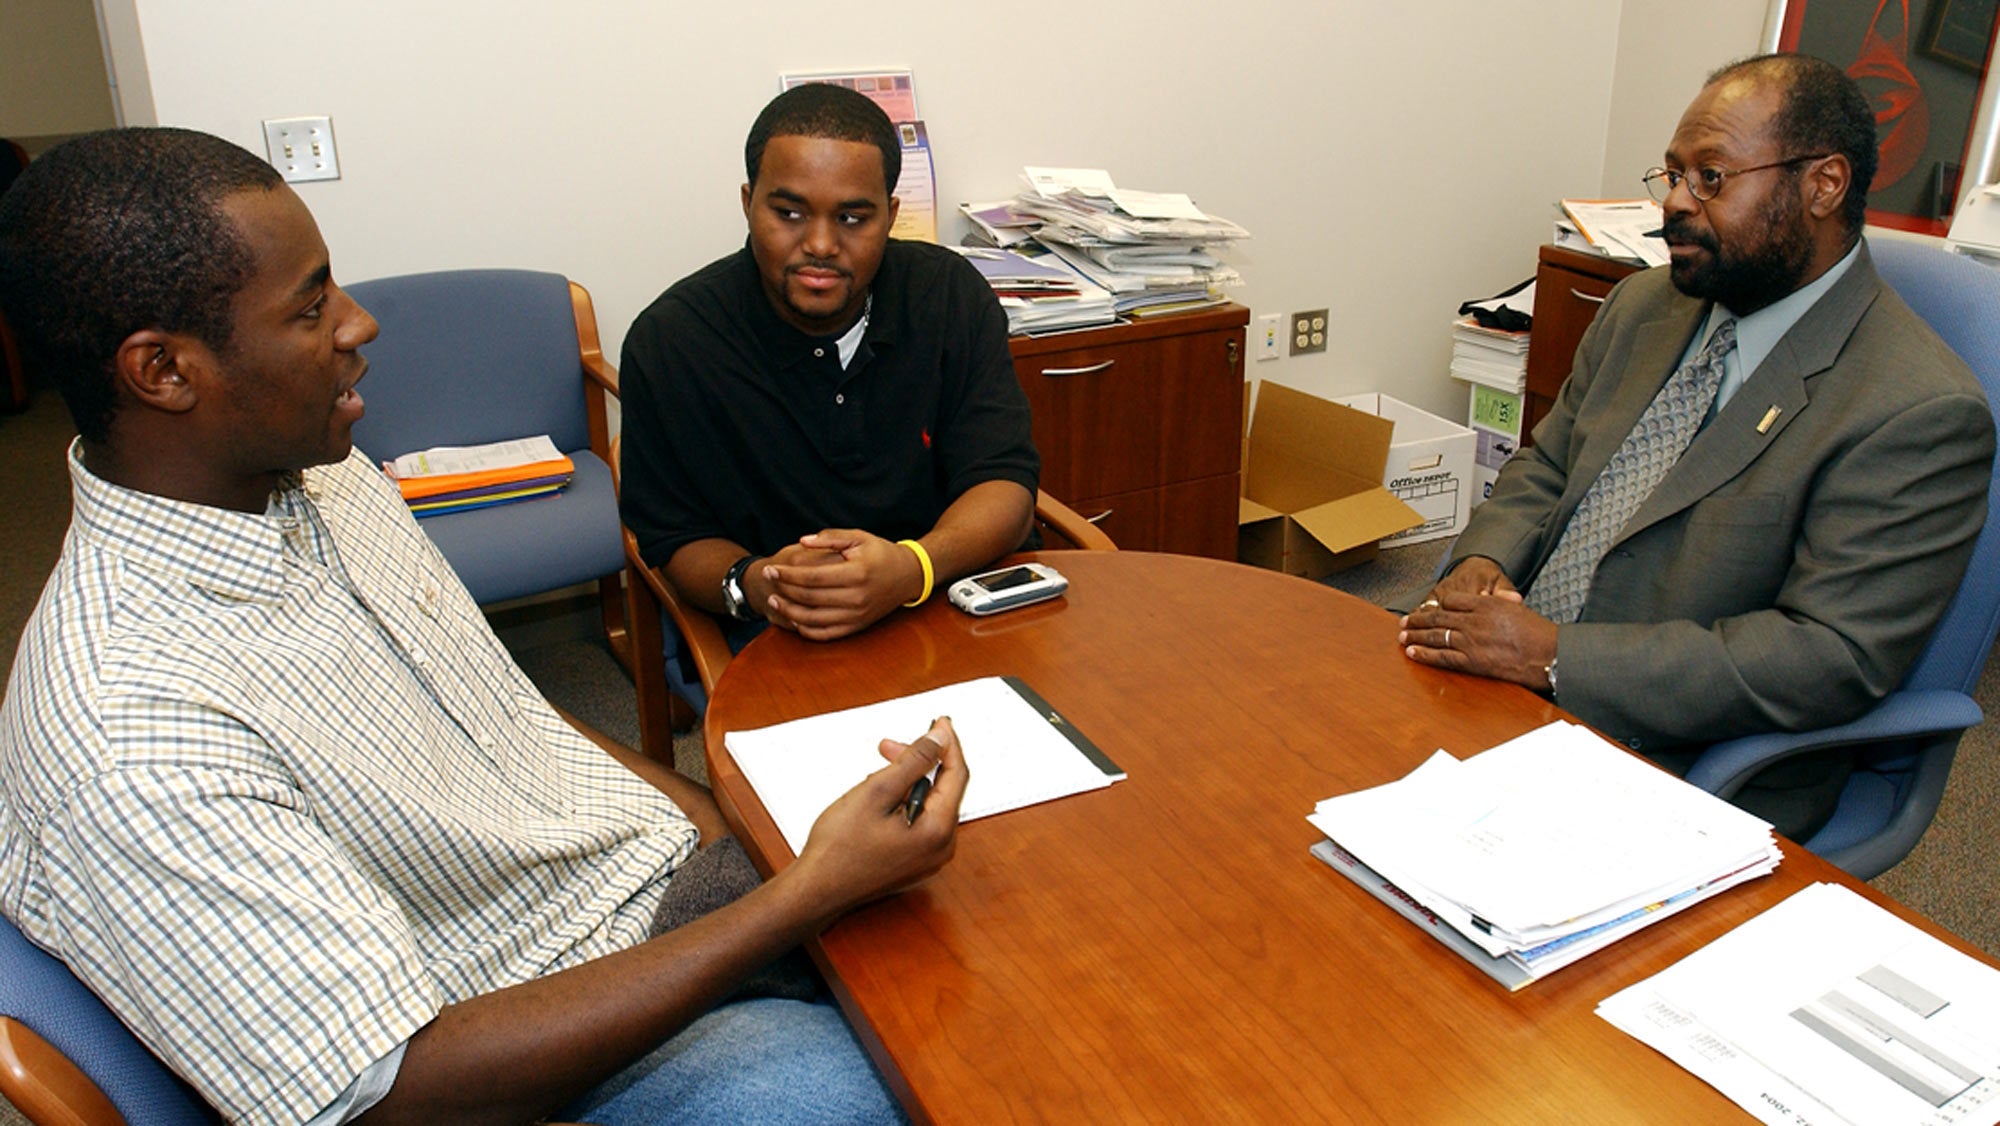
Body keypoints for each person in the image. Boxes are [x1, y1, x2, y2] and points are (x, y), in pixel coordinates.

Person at [0, 126, 969, 1126]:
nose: (359, 323)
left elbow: (508, 718)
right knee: (948, 1071)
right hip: (526, 1056)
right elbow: (390, 1096)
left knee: (1002, 915)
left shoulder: (325, 480)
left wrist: (734, 834)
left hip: (638, 900)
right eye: (310, 305)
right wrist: (797, 900)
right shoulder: (131, 730)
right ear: (163, 370)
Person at [1399, 53, 1994, 840]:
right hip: (1505, 680)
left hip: (1676, 759)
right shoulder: (1647, 304)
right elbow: (1549, 464)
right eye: (1672, 175)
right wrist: (1485, 564)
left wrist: (1554, 657)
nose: (1674, 204)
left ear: (1823, 185)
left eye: (1710, 178)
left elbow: (1829, 655)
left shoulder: (1917, 409)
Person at [619, 83, 1039, 645]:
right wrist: (763, 584)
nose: (819, 243)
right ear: (748, 204)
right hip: (785, 630)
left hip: (948, 592)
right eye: (789, 212)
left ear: (890, 216)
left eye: (851, 218)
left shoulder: (949, 296)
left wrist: (911, 569)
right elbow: (674, 537)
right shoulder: (670, 341)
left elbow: (1003, 481)